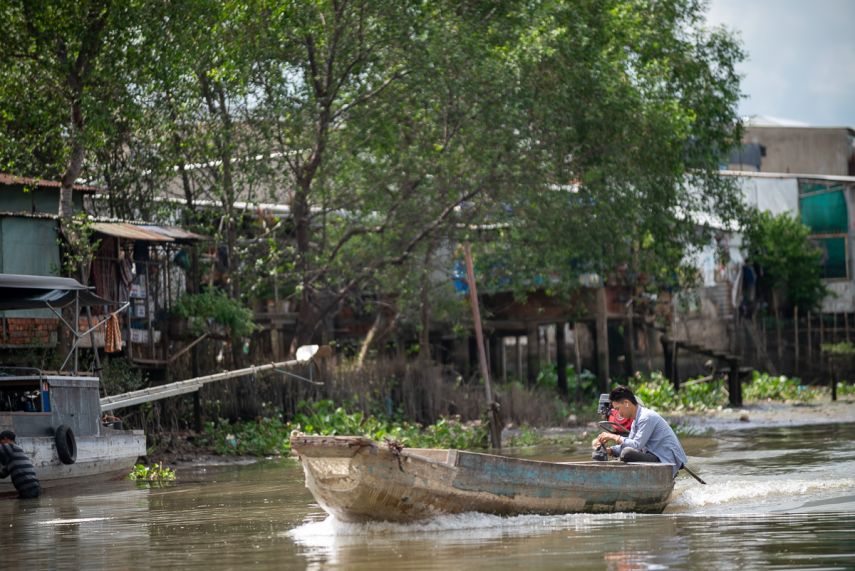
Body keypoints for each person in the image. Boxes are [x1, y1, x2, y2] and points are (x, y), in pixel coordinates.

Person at [591, 386, 688, 477]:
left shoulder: (646, 417)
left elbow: (636, 445)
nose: (618, 413)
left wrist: (614, 437)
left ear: (626, 403)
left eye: (618, 409)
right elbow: (629, 443)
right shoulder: (635, 421)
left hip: (666, 460)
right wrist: (609, 450)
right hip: (654, 455)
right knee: (618, 452)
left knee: (627, 453)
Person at [0, 430, 41, 499]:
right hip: (29, 488)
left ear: (6, 439)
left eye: (1, 442)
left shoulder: (12, 447)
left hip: (29, 488)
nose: (1, 444)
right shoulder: (12, 458)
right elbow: (3, 474)